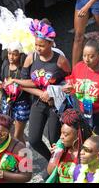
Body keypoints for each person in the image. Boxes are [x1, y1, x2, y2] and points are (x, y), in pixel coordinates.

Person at [10, 19, 71, 161]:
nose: (38, 48)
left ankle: (60, 164)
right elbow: (26, 84)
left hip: (56, 105)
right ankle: (54, 161)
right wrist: (40, 93)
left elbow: (70, 82)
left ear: (51, 43)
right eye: (36, 45)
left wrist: (53, 92)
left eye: (41, 46)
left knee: (54, 139)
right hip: (38, 103)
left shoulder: (60, 61)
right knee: (34, 140)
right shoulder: (31, 58)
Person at [0, 7, 37, 144]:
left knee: (17, 135)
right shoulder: (5, 64)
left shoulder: (24, 68)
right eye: (9, 53)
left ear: (20, 54)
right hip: (7, 102)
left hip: (22, 104)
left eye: (15, 54)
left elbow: (28, 84)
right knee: (7, 133)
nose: (11, 57)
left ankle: (23, 162)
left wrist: (16, 83)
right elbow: (1, 79)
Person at [46, 109, 94, 183]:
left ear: (78, 135)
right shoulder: (62, 149)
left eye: (65, 134)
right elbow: (50, 172)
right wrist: (56, 154)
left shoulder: (93, 150)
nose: (61, 137)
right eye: (61, 133)